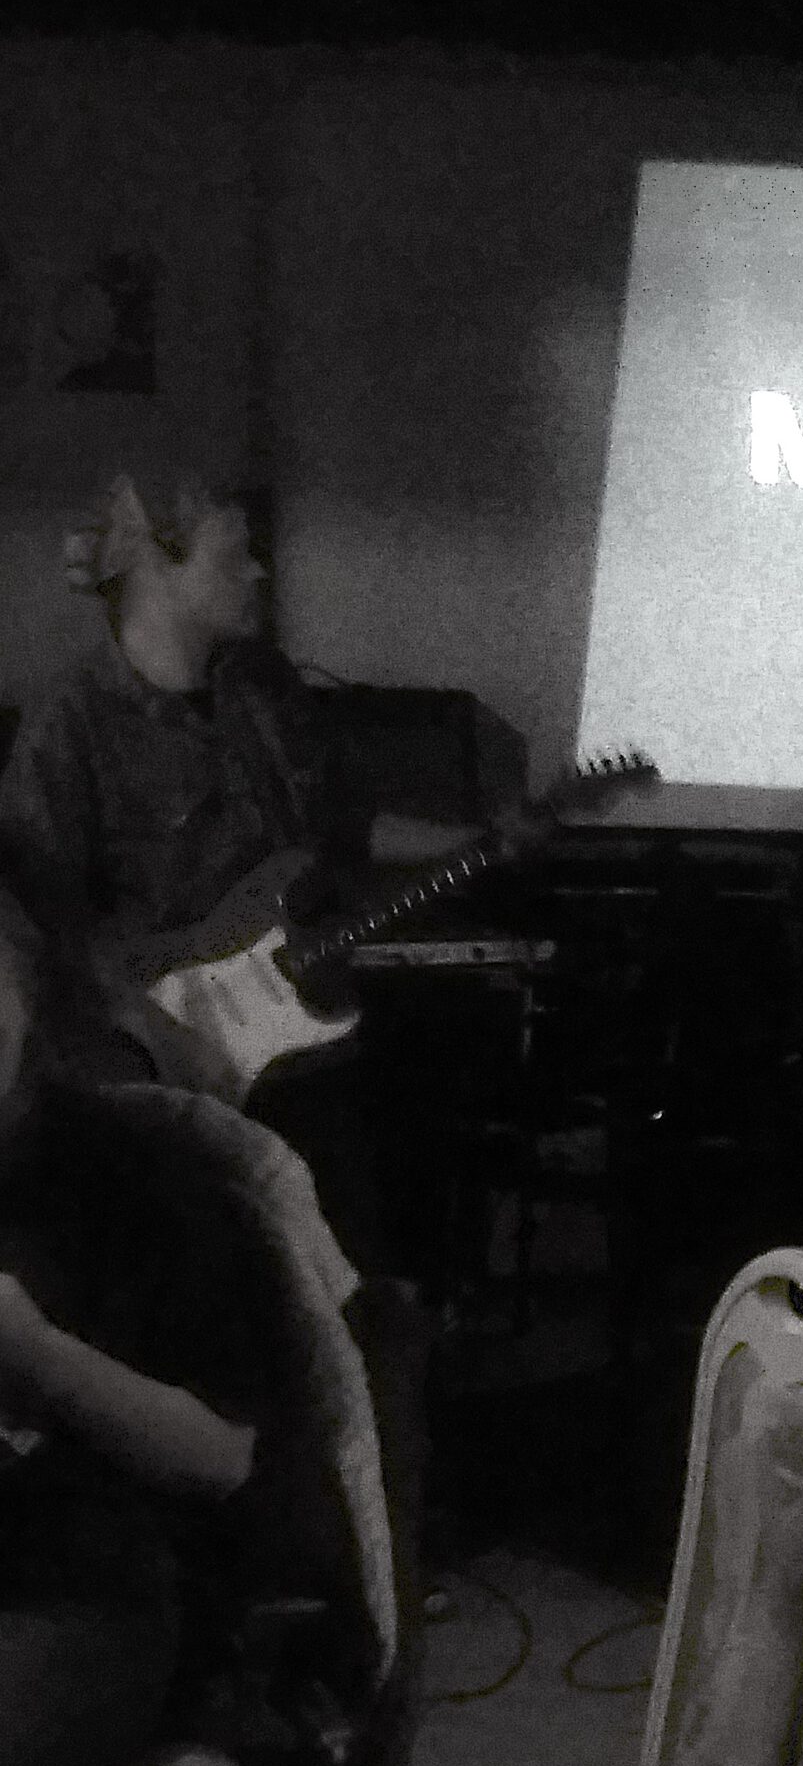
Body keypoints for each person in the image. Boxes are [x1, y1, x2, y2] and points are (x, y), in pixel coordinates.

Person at [0, 473, 484, 1276]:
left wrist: (478, 841)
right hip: (163, 1067)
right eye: (234, 555)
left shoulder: (265, 690)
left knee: (357, 1274)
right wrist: (156, 1036)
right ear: (160, 568)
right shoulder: (70, 724)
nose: (258, 571)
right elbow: (41, 924)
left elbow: (342, 826)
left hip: (303, 1041)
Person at [0, 890, 371, 1766]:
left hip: (90, 1583)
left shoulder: (140, 1178)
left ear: (27, 997)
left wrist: (36, 1351)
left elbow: (226, 1456)